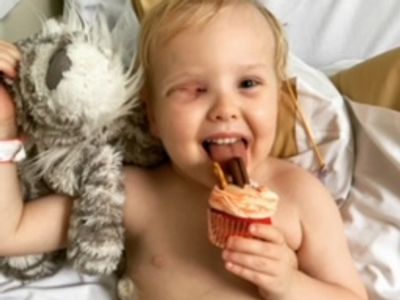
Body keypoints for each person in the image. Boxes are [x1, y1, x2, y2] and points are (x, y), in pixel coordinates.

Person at [0, 0, 368, 299]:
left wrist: (290, 284)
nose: (225, 107)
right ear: (153, 117)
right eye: (193, 89)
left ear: (282, 100)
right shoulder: (133, 194)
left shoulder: (300, 196)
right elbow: (11, 233)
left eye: (248, 83)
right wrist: (5, 128)